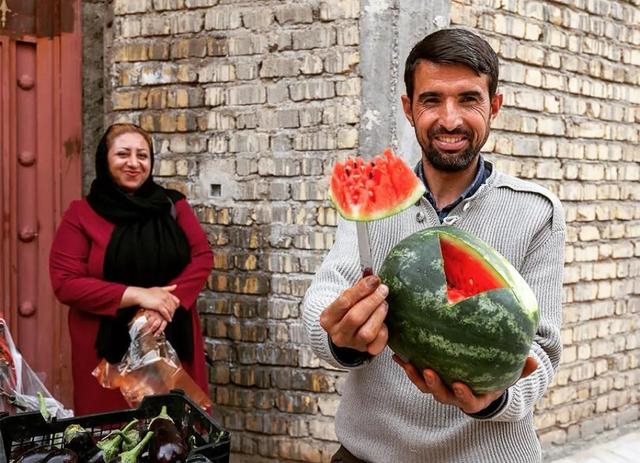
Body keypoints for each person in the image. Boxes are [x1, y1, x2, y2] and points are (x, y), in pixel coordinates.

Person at [303, 28, 565, 463]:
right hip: (369, 453)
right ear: (408, 109)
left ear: (494, 106)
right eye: (431, 100)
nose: (449, 119)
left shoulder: (536, 211)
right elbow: (323, 300)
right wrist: (342, 337)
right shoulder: (374, 198)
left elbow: (541, 349)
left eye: (468, 99)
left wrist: (495, 397)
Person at [49, 123, 212, 415]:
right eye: (123, 154)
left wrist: (166, 303)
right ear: (104, 158)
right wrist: (138, 295)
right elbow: (66, 282)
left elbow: (201, 257)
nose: (134, 163)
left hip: (170, 333)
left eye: (143, 155)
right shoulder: (82, 215)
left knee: (175, 432)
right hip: (107, 353)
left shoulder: (173, 206)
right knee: (112, 438)